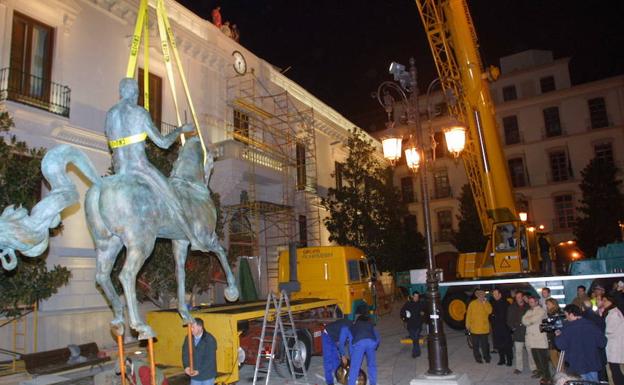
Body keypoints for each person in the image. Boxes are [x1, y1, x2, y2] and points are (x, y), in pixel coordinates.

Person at [105, 78, 201, 247]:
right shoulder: (140, 113)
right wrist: (180, 130)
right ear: (135, 93)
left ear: (121, 92)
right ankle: (193, 239)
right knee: (173, 196)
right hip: (139, 168)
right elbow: (163, 143)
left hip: (119, 171)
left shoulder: (110, 114)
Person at [555, 304, 607, 383]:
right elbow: (602, 342)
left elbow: (561, 345)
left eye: (566, 315)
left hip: (576, 365)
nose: (566, 318)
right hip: (592, 364)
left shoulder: (568, 328)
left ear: (571, 315)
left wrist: (558, 336)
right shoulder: (591, 325)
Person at [338, 306, 380, 385]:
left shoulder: (353, 326)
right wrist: (376, 345)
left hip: (360, 343)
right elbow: (377, 336)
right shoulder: (370, 324)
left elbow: (351, 343)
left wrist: (351, 356)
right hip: (372, 342)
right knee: (372, 365)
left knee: (354, 367)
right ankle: (373, 383)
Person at [522, 295, 550, 384]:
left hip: (540, 339)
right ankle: (540, 372)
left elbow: (533, 320)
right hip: (531, 339)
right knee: (536, 358)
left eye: (532, 302)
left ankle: (547, 377)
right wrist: (528, 320)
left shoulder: (541, 310)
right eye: (529, 302)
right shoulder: (529, 311)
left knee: (543, 360)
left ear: (537, 302)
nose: (530, 303)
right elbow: (523, 321)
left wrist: (528, 319)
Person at [507, 291, 537, 375]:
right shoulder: (511, 307)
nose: (518, 299)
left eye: (520, 297)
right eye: (517, 297)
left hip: (528, 332)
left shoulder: (528, 306)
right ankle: (518, 368)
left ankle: (533, 367)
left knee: (530, 351)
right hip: (518, 333)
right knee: (518, 351)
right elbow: (509, 320)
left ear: (523, 297)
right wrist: (514, 327)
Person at [182, 318, 217, 385]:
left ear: (200, 327)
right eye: (190, 327)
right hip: (195, 376)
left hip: (207, 375)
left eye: (193, 327)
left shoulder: (209, 340)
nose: (190, 329)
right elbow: (185, 353)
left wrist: (199, 371)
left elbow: (209, 359)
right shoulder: (188, 338)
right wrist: (186, 366)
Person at [322, 316, 352, 385]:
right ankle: (329, 381)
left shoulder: (353, 331)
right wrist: (343, 356)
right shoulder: (347, 328)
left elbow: (350, 346)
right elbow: (341, 343)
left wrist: (352, 357)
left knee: (335, 359)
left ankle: (339, 377)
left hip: (335, 337)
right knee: (328, 359)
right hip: (327, 335)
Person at [465, 289, 492, 363]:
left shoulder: (487, 303)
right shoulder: (472, 304)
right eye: (479, 295)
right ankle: (478, 358)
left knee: (485, 345)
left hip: (484, 329)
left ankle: (487, 357)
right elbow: (468, 315)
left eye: (482, 295)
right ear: (477, 296)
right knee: (475, 346)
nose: (481, 296)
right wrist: (467, 325)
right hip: (474, 329)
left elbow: (489, 311)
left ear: (484, 295)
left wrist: (484, 304)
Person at [603, 294, 624, 385]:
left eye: (605, 301)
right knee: (616, 371)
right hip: (615, 346)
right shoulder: (614, 312)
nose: (603, 303)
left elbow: (609, 330)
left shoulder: (614, 314)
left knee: (616, 372)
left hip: (614, 347)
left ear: (611, 301)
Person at [490, 288, 513, 366]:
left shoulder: (506, 303)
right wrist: (493, 316)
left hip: (505, 327)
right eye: (493, 294)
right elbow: (490, 315)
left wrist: (494, 316)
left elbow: (506, 316)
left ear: (500, 294)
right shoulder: (492, 303)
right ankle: (502, 359)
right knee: (499, 345)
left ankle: (509, 360)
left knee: (507, 345)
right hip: (496, 328)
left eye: (496, 294)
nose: (495, 296)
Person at [400, 291, 425, 358]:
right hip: (410, 325)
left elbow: (425, 311)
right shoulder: (408, 304)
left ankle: (415, 353)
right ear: (412, 296)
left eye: (417, 296)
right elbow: (402, 312)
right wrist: (405, 316)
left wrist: (423, 315)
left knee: (415, 337)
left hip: (418, 325)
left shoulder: (421, 304)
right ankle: (418, 352)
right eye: (415, 296)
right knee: (414, 338)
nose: (416, 298)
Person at [544, 298, 562, 370]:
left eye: (548, 304)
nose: (547, 306)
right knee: (555, 357)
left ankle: (560, 374)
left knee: (555, 357)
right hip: (552, 336)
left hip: (555, 337)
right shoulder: (550, 313)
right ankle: (559, 373)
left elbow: (559, 325)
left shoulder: (556, 313)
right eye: (546, 304)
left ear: (554, 304)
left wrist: (549, 326)